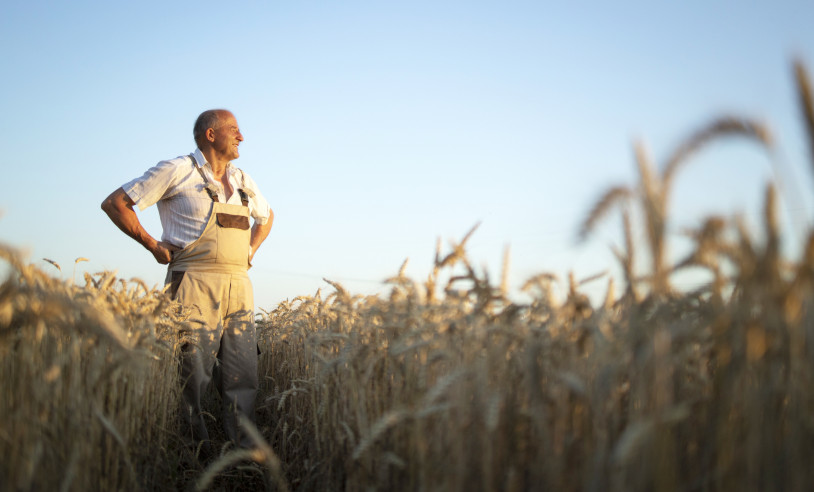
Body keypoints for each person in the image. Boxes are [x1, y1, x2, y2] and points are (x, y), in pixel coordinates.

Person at [101, 109, 273, 456]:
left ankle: (243, 457)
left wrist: (250, 251)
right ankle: (190, 456)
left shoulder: (242, 179)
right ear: (211, 135)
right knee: (190, 374)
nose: (242, 138)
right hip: (192, 282)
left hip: (239, 287)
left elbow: (267, 217)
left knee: (243, 376)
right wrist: (153, 245)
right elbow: (116, 203)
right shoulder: (177, 170)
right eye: (235, 130)